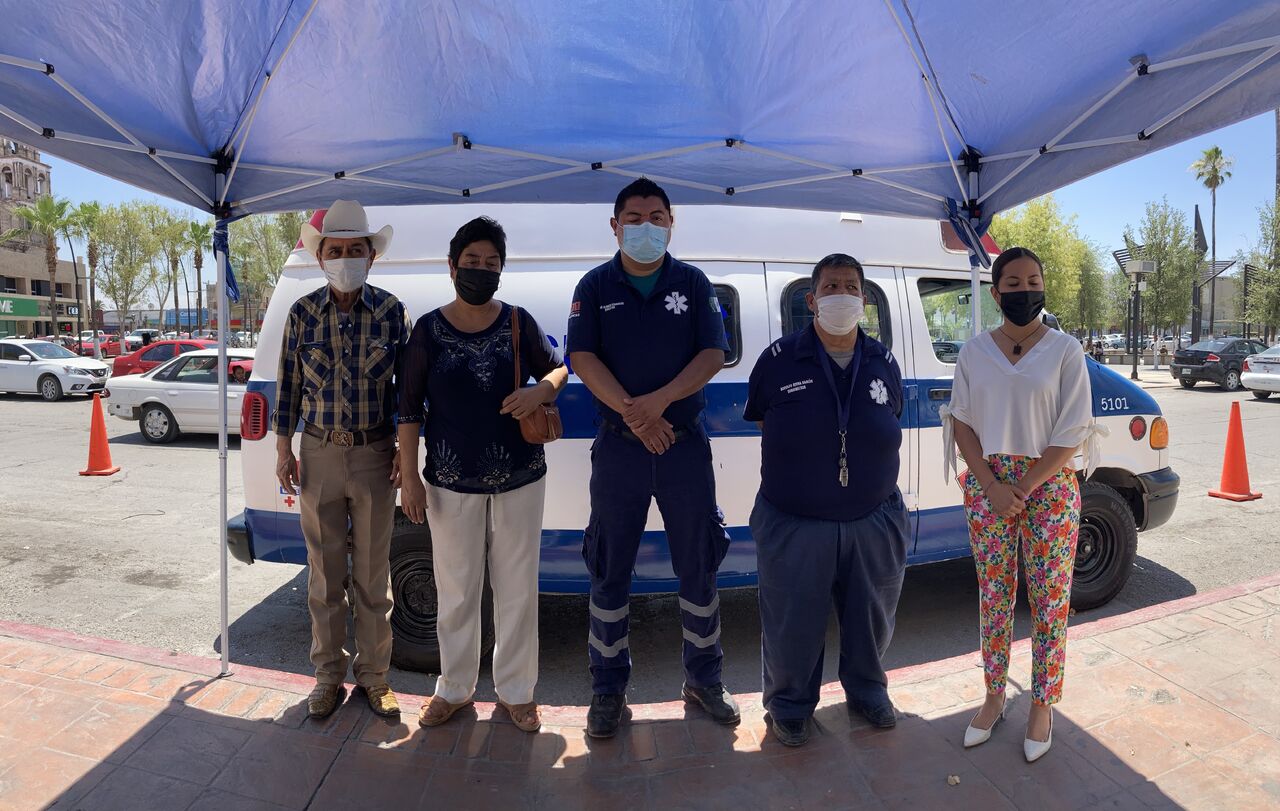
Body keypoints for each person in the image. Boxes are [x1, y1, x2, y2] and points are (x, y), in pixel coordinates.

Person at [567, 178, 738, 738]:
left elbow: (713, 352)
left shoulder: (692, 282)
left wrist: (659, 404)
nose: (646, 226)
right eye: (635, 218)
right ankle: (607, 690)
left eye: (657, 217)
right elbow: (582, 356)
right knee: (609, 566)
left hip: (683, 445)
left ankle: (704, 680)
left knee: (699, 563)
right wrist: (635, 416)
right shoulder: (595, 286)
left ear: (671, 223)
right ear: (615, 226)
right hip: (620, 448)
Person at [398, 217, 567, 733]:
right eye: (472, 261)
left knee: (517, 588)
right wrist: (410, 477)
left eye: (491, 263)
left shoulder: (518, 321)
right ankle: (453, 688)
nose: (481, 270)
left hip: (521, 476)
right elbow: (408, 409)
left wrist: (542, 390)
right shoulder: (428, 330)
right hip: (449, 482)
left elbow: (558, 368)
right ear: (452, 267)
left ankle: (517, 693)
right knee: (455, 589)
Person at [743, 253, 909, 747]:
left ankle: (868, 691)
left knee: (871, 617)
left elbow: (889, 418)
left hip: (874, 518)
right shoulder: (778, 360)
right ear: (812, 300)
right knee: (792, 622)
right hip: (794, 521)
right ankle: (789, 706)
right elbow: (762, 419)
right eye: (831, 286)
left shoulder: (882, 361)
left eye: (851, 286)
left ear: (864, 299)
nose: (842, 294)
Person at [941, 246, 1099, 763]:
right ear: (996, 292)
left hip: (1047, 486)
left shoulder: (1065, 350)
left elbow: (1073, 428)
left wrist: (1024, 486)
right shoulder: (973, 352)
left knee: (1051, 599)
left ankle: (1042, 704)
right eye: (1013, 283)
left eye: (1033, 281)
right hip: (989, 487)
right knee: (994, 594)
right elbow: (961, 422)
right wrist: (991, 485)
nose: (1025, 290)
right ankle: (993, 696)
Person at [275, 200, 407, 720]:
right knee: (325, 576)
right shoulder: (302, 313)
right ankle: (327, 676)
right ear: (321, 257)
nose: (345, 258)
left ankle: (375, 677)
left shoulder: (392, 312)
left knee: (373, 576)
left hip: (375, 454)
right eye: (336, 251)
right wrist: (283, 449)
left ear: (371, 257)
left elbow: (407, 392)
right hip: (319, 453)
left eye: (356, 250)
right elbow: (288, 387)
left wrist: (405, 449)